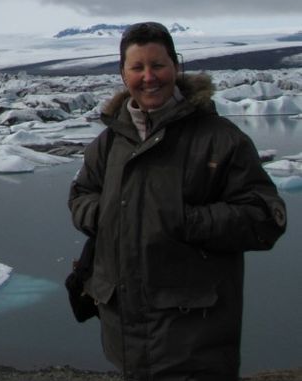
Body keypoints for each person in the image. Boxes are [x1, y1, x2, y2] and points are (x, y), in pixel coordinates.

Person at [69, 21, 287, 381]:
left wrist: (184, 220)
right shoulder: (110, 143)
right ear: (123, 74)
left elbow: (265, 218)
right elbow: (80, 196)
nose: (148, 77)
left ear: (176, 66)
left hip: (195, 336)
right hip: (126, 335)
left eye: (158, 65)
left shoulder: (220, 140)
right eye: (137, 67)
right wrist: (107, 215)